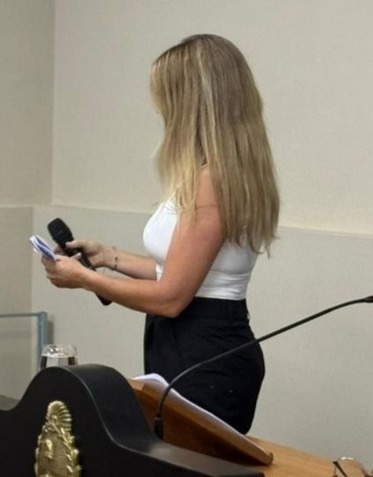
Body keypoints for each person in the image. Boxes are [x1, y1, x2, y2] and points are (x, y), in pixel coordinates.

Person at [41, 34, 279, 434]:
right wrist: (108, 257)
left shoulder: (213, 181)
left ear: (190, 103)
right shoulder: (210, 173)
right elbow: (178, 270)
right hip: (184, 343)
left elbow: (171, 297)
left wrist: (84, 278)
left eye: (165, 99)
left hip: (206, 354)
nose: (160, 110)